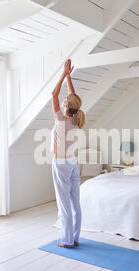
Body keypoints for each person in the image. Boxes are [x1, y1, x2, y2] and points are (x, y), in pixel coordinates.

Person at [51, 59, 85, 248]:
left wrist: (63, 74)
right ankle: (76, 237)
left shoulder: (60, 120)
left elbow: (54, 93)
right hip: (72, 162)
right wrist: (69, 76)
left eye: (65, 100)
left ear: (67, 106)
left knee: (63, 204)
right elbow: (72, 95)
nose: (63, 98)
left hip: (61, 163)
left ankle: (67, 241)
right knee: (75, 203)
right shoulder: (75, 118)